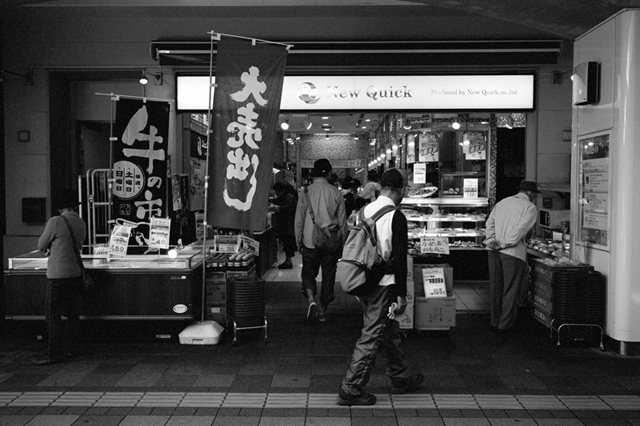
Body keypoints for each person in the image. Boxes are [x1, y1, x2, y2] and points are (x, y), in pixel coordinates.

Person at [338, 168, 424, 406]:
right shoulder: (396, 216)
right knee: (373, 333)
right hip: (384, 286)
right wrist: (401, 295)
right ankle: (351, 387)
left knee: (387, 329)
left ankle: (401, 377)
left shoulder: (364, 210)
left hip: (364, 280)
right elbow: (398, 259)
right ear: (400, 190)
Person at [32, 191, 87, 365]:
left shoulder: (56, 221)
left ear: (60, 207)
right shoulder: (80, 222)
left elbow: (41, 245)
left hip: (58, 275)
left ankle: (54, 353)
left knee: (53, 315)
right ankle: (73, 349)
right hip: (75, 273)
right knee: (72, 314)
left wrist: (50, 248)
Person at [295, 159, 348, 324]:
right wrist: (343, 243)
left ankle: (311, 299)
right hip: (330, 242)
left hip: (310, 240)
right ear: (329, 173)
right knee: (328, 275)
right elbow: (343, 222)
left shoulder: (305, 192)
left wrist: (298, 240)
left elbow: (299, 220)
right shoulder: (336, 193)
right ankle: (323, 310)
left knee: (309, 273)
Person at [483, 180, 539, 333]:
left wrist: (491, 240)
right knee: (511, 289)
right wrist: (504, 243)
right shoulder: (530, 207)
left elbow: (490, 223)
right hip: (513, 253)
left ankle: (494, 321)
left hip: (493, 251)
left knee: (496, 287)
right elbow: (520, 230)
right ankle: (505, 324)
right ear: (531, 194)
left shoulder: (502, 203)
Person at [270, 182, 298, 269]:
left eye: (277, 192)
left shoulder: (289, 197)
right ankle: (288, 260)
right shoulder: (286, 196)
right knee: (287, 242)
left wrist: (276, 208)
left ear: (281, 190)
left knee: (288, 242)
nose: (277, 194)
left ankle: (288, 261)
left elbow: (287, 208)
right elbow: (277, 201)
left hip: (288, 224)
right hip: (286, 224)